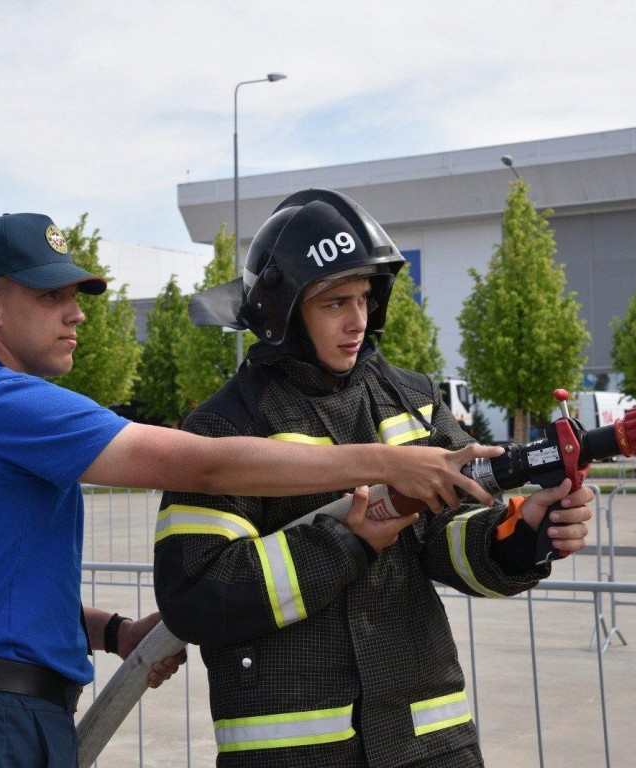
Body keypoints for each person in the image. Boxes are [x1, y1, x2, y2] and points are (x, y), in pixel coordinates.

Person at [0, 211, 505, 768]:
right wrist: (386, 464)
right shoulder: (4, 403)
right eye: (50, 296)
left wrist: (113, 632)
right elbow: (201, 467)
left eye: (76, 292)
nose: (78, 311)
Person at [153, 189, 595, 767]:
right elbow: (197, 596)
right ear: (282, 311)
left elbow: (450, 539)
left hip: (430, 741)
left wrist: (520, 535)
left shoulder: (410, 401)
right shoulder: (224, 427)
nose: (357, 320)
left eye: (364, 297)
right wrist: (346, 544)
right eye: (335, 302)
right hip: (296, 752)